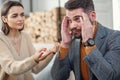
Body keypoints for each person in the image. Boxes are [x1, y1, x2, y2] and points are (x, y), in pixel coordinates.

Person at [51, 0, 120, 80]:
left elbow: (110, 77)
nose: (72, 25)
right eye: (70, 20)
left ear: (93, 16)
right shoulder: (74, 42)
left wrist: (89, 43)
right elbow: (57, 77)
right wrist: (64, 45)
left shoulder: (115, 37)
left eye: (77, 19)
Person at [0, 1, 58, 80]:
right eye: (15, 16)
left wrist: (52, 53)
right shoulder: (1, 38)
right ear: (4, 19)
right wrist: (34, 58)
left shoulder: (26, 36)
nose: (20, 19)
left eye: (22, 15)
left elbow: (36, 68)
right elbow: (11, 68)